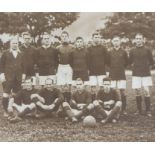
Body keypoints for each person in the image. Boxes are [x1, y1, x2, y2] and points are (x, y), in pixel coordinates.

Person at [129, 33, 153, 116]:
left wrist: (146, 67)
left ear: (143, 39)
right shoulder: (132, 50)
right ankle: (139, 110)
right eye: (137, 38)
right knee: (137, 91)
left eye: (140, 38)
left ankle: (148, 110)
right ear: (135, 40)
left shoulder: (147, 50)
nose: (138, 40)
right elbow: (130, 61)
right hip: (136, 73)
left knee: (146, 91)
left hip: (146, 73)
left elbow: (151, 61)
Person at [0, 36, 24, 118]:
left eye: (16, 43)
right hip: (8, 77)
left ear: (18, 44)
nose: (15, 45)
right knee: (6, 94)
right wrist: (2, 76)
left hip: (18, 78)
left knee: (17, 94)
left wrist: (23, 75)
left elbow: (23, 66)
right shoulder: (5, 53)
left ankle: (15, 109)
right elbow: (1, 66)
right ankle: (6, 111)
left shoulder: (21, 53)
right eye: (13, 43)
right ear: (10, 44)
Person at [107, 36, 128, 115]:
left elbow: (126, 62)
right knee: (112, 91)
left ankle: (124, 109)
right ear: (112, 42)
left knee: (122, 92)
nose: (116, 42)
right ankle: (113, 107)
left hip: (121, 74)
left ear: (120, 42)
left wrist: (121, 67)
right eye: (114, 41)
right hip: (112, 73)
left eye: (117, 41)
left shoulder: (124, 52)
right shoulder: (109, 52)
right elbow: (108, 62)